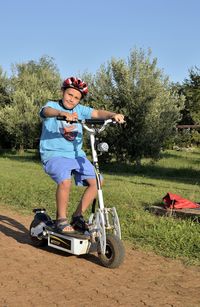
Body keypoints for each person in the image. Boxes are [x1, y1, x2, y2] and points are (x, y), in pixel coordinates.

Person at [39, 76, 125, 233]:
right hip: (54, 154)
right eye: (69, 94)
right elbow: (46, 111)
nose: (72, 100)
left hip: (77, 155)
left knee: (97, 181)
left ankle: (77, 216)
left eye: (76, 97)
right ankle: (61, 220)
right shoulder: (52, 106)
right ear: (62, 91)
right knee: (65, 182)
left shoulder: (80, 110)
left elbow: (98, 112)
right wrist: (62, 113)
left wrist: (113, 115)